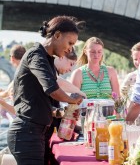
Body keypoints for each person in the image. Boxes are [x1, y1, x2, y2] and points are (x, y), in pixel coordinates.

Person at [7, 16, 83, 164]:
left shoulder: (46, 59)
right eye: (70, 43)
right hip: (26, 135)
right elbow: (52, 89)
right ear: (57, 35)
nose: (70, 49)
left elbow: (40, 101)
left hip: (35, 134)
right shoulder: (36, 55)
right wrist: (73, 100)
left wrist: (62, 112)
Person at [120, 41, 140, 125]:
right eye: (135, 59)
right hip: (135, 118)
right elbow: (123, 94)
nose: (138, 62)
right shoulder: (131, 77)